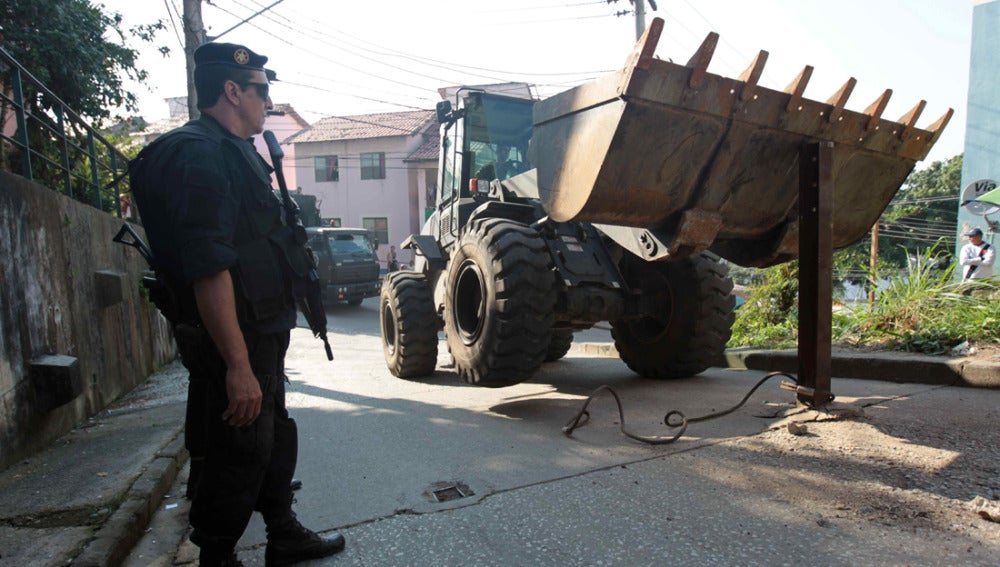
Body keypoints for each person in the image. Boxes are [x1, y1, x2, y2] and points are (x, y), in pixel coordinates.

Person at [129, 42, 344, 566]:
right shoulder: (199, 155)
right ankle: (218, 555)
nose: (267, 104)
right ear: (231, 91)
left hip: (258, 327)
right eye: (261, 92)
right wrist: (238, 365)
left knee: (269, 431)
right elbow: (209, 267)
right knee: (240, 443)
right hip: (236, 335)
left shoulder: (234, 150)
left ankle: (281, 529)